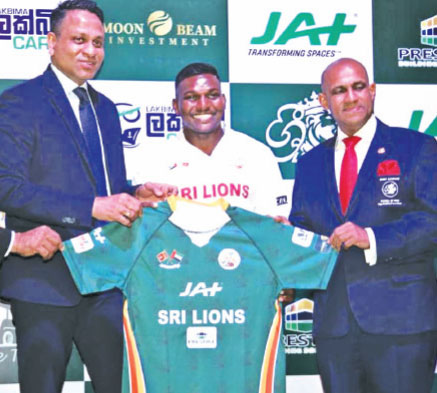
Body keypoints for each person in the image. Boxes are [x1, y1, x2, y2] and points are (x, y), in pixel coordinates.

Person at [0, 1, 176, 393]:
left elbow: (100, 188)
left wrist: (134, 194)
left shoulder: (106, 109)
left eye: (98, 42)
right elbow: (6, 186)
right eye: (79, 40)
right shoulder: (18, 103)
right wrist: (92, 207)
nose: (90, 51)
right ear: (51, 42)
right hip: (44, 280)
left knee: (119, 386)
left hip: (105, 281)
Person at [289, 57, 437, 393]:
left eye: (358, 87)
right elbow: (302, 231)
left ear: (372, 91)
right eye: (339, 91)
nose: (351, 97)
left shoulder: (417, 148)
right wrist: (281, 239)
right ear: (325, 101)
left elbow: (433, 221)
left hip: (403, 325)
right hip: (335, 328)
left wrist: (370, 237)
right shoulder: (310, 162)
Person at [130, 62, 290, 218]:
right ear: (176, 106)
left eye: (212, 95)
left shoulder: (256, 153)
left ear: (224, 101)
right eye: (191, 97)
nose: (203, 105)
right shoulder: (153, 157)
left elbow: (272, 225)